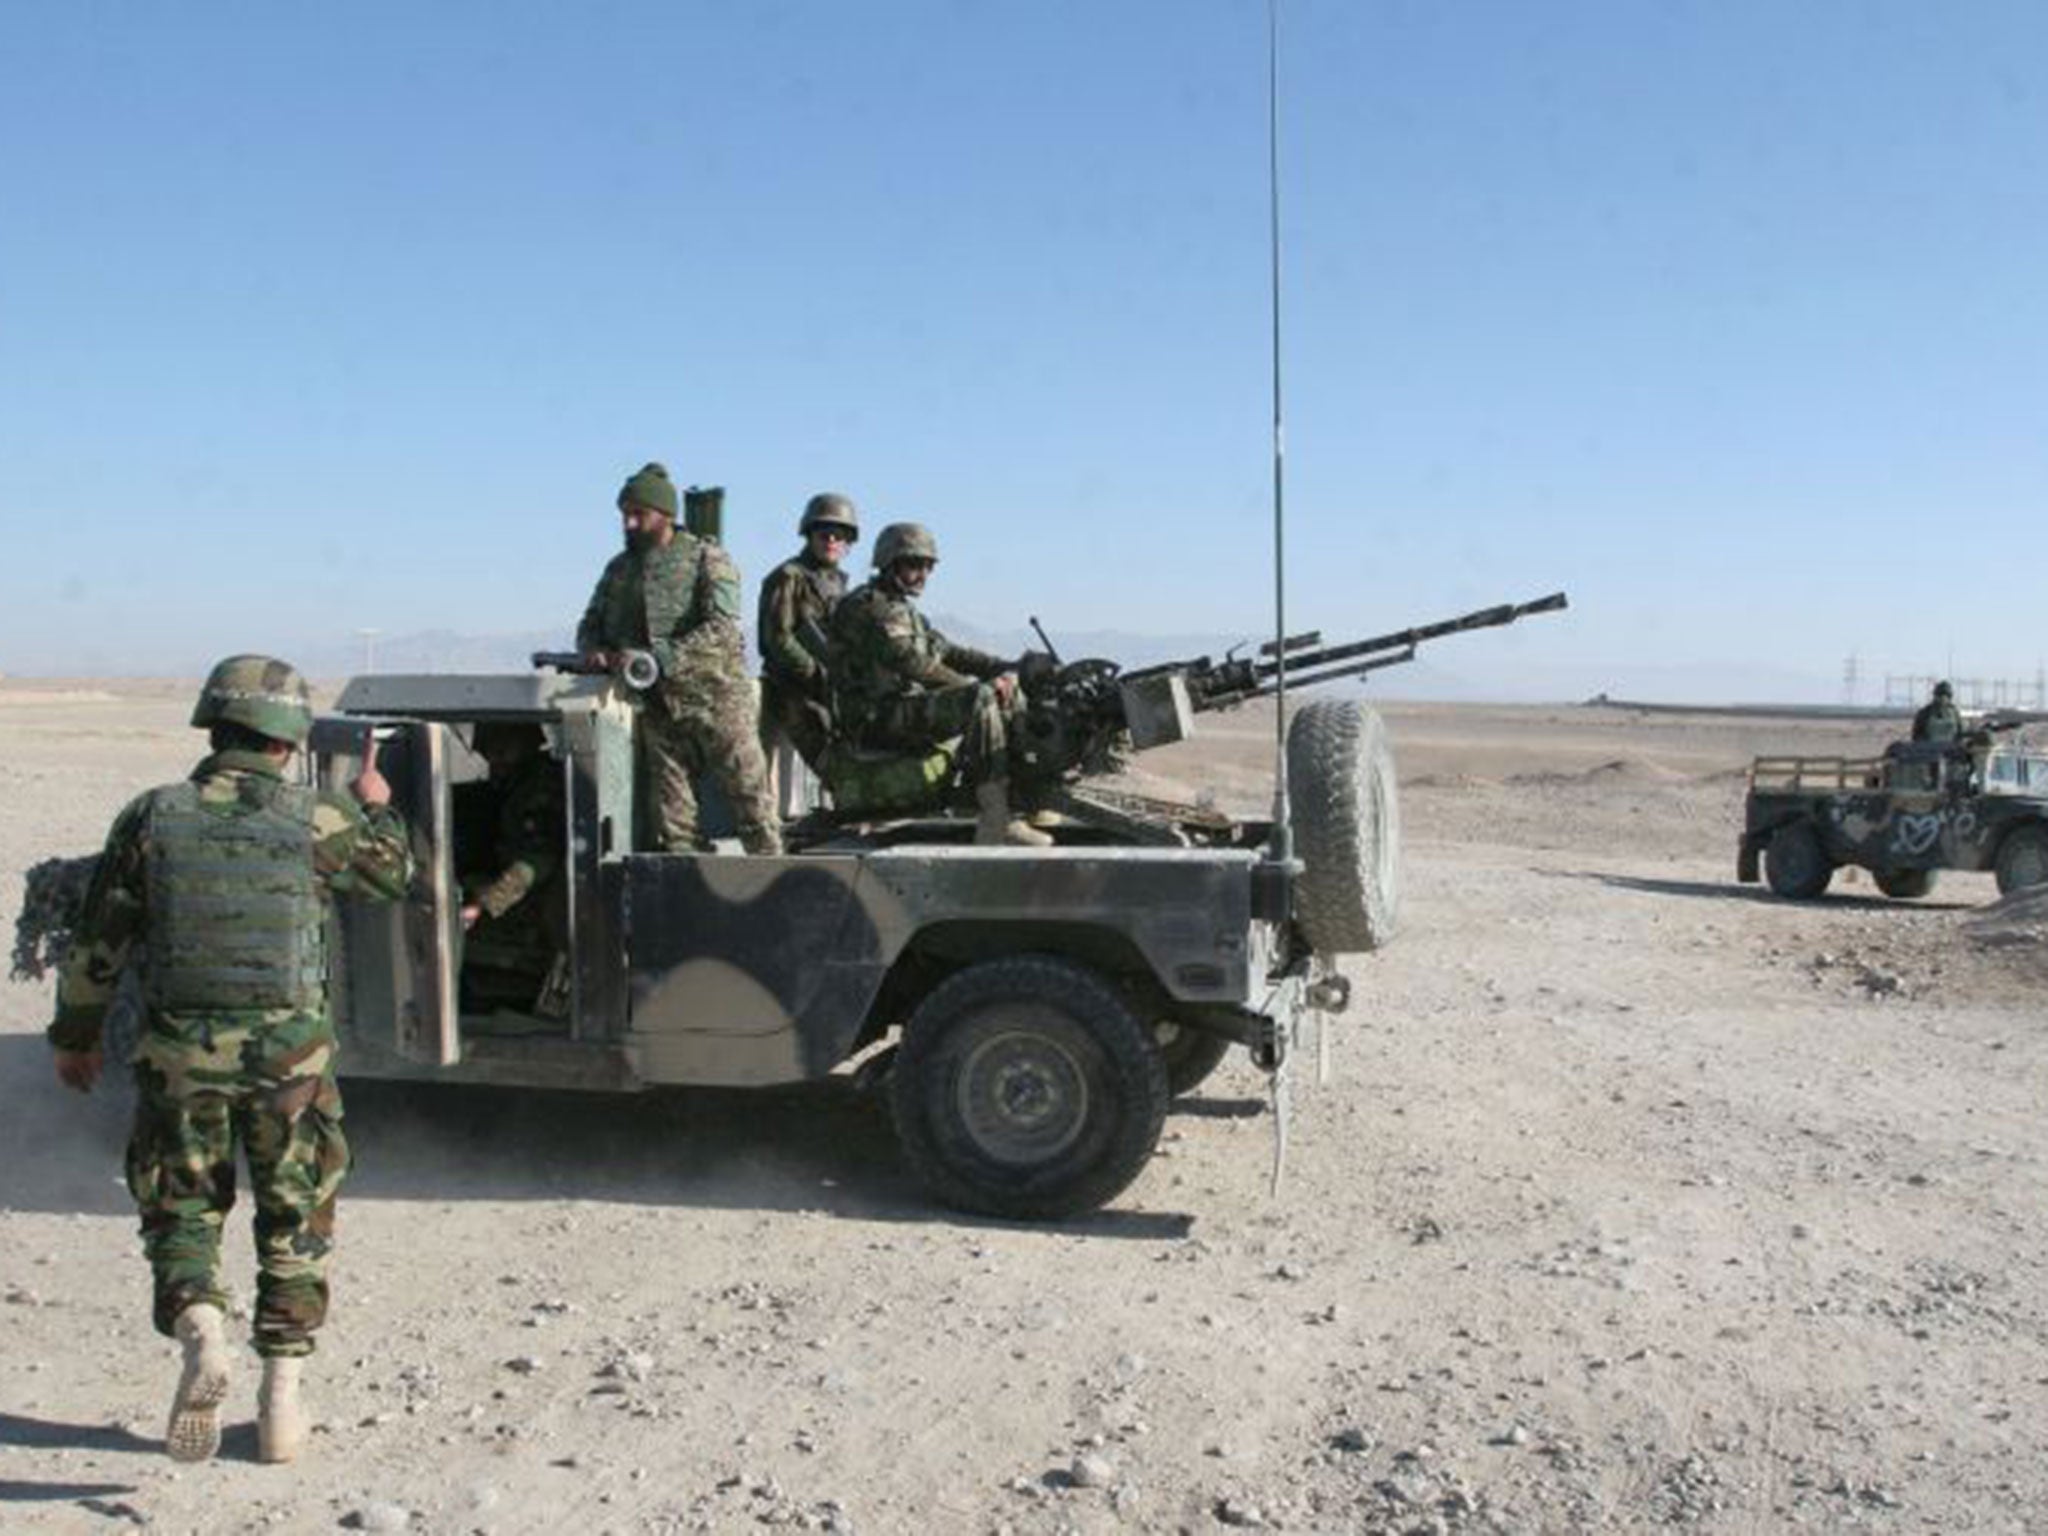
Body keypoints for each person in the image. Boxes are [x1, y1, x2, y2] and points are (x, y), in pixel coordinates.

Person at [48, 655, 413, 1465]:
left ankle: (202, 1331)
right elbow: (394, 879)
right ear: (289, 740)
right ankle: (281, 1404)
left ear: (213, 727)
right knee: (294, 1221)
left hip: (179, 1056)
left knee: (183, 1211)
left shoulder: (153, 816)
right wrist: (377, 808)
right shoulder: (315, 820)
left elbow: (99, 942)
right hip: (290, 1065)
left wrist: (74, 1038)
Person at [575, 461, 781, 854]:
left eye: (639, 514)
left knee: (754, 809)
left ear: (666, 515)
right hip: (659, 711)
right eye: (625, 515)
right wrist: (595, 652)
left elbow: (721, 629)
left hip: (718, 702)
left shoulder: (707, 559)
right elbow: (591, 623)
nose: (630, 524)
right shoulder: (619, 570)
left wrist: (660, 658)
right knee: (674, 830)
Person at [827, 521, 1051, 846]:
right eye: (915, 565)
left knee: (1007, 689)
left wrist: (1010, 666)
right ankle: (995, 820)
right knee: (981, 699)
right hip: (874, 718)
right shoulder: (868, 607)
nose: (923, 574)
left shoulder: (905, 612)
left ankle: (1025, 804)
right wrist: (976, 689)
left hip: (898, 712)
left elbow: (950, 652)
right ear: (890, 563)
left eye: (928, 566)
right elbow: (912, 662)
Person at [757, 492, 857, 814]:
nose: (830, 540)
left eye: (838, 535)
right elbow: (777, 639)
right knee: (831, 763)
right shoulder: (789, 577)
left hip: (828, 689)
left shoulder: (838, 583)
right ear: (809, 534)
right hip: (793, 690)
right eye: (823, 533)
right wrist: (815, 673)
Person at [458, 721, 567, 1014]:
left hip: (542, 907)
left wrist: (484, 905)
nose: (495, 758)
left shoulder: (540, 788)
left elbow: (537, 861)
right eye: (491, 751)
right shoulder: (520, 784)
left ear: (525, 744)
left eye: (503, 749)